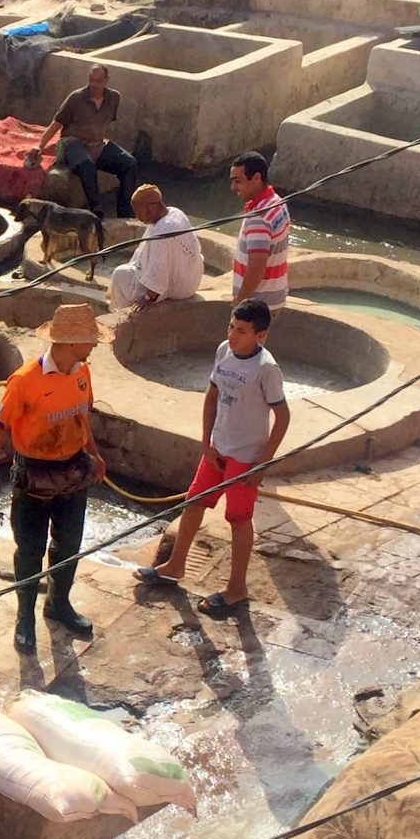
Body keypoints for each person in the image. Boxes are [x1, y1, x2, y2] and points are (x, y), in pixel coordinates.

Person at [134, 298, 290, 613]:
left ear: (260, 336)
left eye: (242, 331)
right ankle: (175, 565)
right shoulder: (223, 351)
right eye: (231, 327)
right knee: (194, 504)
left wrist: (262, 463)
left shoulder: (266, 369)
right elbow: (212, 397)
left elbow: (282, 417)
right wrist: (206, 442)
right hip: (218, 447)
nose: (233, 335)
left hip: (245, 457)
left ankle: (236, 588)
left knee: (238, 519)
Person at [0, 303, 109, 652]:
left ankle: (58, 604)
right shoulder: (24, 381)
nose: (93, 346)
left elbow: (82, 417)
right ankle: (25, 617)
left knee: (69, 544)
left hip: (73, 468)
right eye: (89, 340)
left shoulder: (83, 373)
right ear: (68, 342)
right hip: (33, 473)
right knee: (30, 550)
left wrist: (93, 454)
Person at [27, 65, 137, 219]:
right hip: (72, 143)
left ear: (106, 80)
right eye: (91, 80)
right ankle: (96, 210)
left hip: (97, 144)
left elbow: (106, 124)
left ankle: (124, 214)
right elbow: (56, 123)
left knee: (129, 163)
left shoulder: (114, 98)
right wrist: (39, 146)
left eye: (98, 81)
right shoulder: (76, 98)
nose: (94, 84)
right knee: (86, 164)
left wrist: (103, 145)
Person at [108, 183, 204, 312]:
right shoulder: (174, 212)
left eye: (140, 212)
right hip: (192, 279)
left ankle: (121, 313)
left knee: (119, 274)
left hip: (179, 287)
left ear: (152, 208)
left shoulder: (161, 231)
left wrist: (148, 297)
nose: (138, 217)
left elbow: (159, 272)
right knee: (130, 270)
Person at [229, 151, 291, 315]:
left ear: (256, 178)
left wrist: (239, 301)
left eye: (238, 181)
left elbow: (256, 270)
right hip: (271, 299)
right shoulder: (276, 202)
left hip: (255, 305)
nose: (233, 187)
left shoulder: (259, 218)